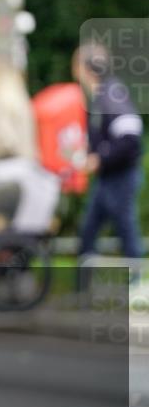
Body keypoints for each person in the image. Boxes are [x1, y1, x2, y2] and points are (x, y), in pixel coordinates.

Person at [72, 42, 144, 260]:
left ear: (86, 69)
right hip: (109, 176)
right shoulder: (101, 96)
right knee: (89, 230)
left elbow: (130, 138)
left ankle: (138, 286)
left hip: (120, 177)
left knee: (125, 231)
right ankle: (86, 286)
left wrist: (100, 158)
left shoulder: (110, 95)